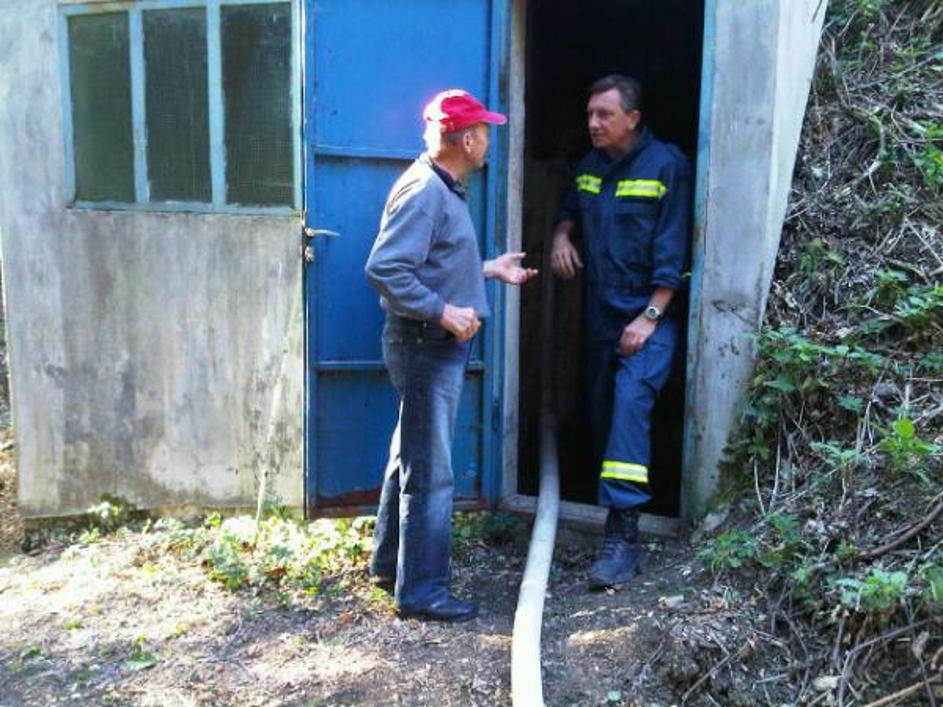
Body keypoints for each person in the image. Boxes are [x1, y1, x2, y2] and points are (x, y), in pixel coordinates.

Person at [365, 89, 537, 622]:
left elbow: (432, 261)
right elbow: (386, 269)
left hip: (429, 344)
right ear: (466, 140)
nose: (488, 140)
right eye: (484, 131)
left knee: (409, 455)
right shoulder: (425, 191)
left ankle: (390, 565)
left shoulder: (441, 185)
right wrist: (442, 312)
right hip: (425, 345)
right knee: (431, 471)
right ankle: (422, 591)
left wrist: (487, 269)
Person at [550, 75, 691, 589]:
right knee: (603, 413)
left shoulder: (666, 166)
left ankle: (623, 537)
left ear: (633, 118)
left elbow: (676, 249)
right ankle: (611, 511)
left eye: (604, 114)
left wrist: (649, 317)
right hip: (601, 317)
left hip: (652, 315)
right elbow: (569, 207)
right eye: (590, 114)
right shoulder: (590, 166)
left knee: (630, 406)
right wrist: (562, 236)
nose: (593, 123)